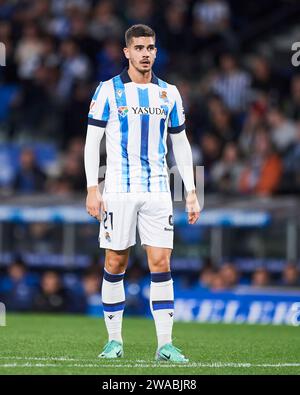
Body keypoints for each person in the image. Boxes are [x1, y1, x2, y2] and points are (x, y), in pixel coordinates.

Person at [84, 24, 200, 363]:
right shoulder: (108, 90)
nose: (145, 53)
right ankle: (114, 340)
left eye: (150, 47)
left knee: (161, 262)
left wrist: (191, 191)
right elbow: (92, 141)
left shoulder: (169, 93)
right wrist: (93, 188)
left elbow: (181, 141)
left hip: (158, 190)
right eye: (139, 48)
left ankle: (165, 344)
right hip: (118, 188)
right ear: (127, 52)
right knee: (115, 261)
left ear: (156, 51)